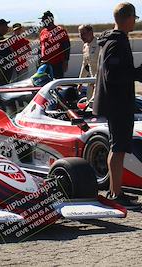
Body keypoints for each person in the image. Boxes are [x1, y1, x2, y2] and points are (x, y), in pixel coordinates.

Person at [93, 2, 142, 209]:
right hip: (118, 103)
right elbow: (112, 75)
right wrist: (138, 73)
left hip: (116, 102)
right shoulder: (117, 42)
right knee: (118, 146)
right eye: (134, 18)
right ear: (127, 18)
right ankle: (116, 193)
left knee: (118, 146)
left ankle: (116, 191)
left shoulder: (111, 40)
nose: (135, 22)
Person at [39, 11, 71, 79]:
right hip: (44, 64)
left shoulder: (60, 31)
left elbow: (67, 47)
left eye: (43, 20)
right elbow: (41, 47)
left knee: (57, 84)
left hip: (57, 64)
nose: (42, 21)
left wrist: (65, 62)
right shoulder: (43, 32)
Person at [78, 24, 100, 100]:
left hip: (100, 80)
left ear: (91, 32)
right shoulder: (85, 46)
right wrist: (80, 82)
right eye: (80, 34)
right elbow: (85, 66)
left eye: (83, 33)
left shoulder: (100, 44)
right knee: (89, 101)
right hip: (91, 81)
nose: (81, 36)